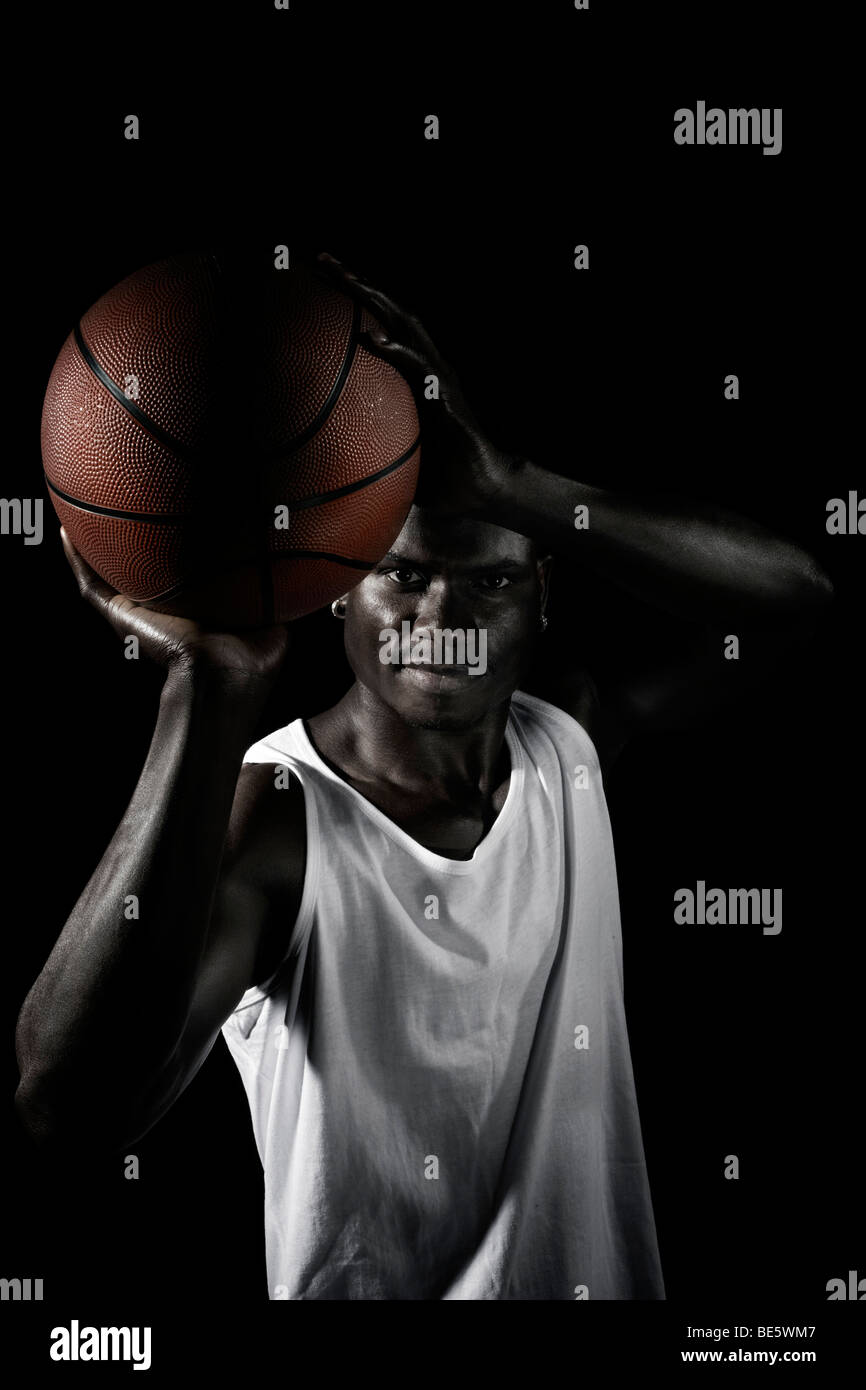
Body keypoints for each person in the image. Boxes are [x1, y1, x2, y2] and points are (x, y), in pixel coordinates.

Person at [14, 256, 832, 1300]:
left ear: (538, 597)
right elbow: (68, 1106)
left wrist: (511, 486)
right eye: (401, 576)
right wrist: (205, 689)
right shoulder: (276, 815)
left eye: (486, 582)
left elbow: (791, 595)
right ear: (341, 595)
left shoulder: (562, 742)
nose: (439, 621)